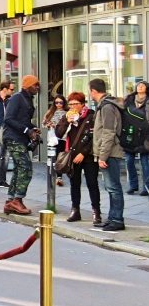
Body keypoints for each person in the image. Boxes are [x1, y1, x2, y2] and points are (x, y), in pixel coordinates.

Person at [54, 92, 101, 225]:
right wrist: (66, 122)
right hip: (73, 155)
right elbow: (59, 133)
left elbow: (94, 137)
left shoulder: (91, 116)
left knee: (92, 183)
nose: (73, 106)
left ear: (82, 104)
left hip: (88, 156)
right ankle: (75, 210)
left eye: (76, 103)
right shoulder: (67, 116)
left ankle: (96, 212)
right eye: (71, 104)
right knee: (74, 184)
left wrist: (84, 153)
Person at [88, 78, 126, 232]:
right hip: (108, 152)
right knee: (110, 187)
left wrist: (102, 156)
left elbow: (108, 132)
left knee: (114, 187)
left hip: (110, 153)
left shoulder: (107, 107)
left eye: (90, 91)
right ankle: (112, 218)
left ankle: (117, 219)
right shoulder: (105, 105)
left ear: (93, 91)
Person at [2, 75, 42, 216]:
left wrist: (33, 128)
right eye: (35, 85)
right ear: (27, 85)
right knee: (26, 167)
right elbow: (8, 119)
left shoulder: (27, 99)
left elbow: (23, 120)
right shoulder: (17, 98)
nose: (38, 87)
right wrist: (27, 130)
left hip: (19, 138)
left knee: (19, 168)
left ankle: (11, 201)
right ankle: (17, 199)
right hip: (13, 138)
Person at [122, 81, 149, 195]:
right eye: (138, 85)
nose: (140, 87)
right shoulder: (129, 100)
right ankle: (133, 185)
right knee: (129, 161)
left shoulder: (148, 101)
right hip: (130, 133)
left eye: (142, 85)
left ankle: (146, 187)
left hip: (145, 134)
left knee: (144, 163)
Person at [43, 94, 67, 187]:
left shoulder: (66, 112)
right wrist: (48, 125)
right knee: (53, 156)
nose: (58, 104)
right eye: (56, 102)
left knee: (60, 156)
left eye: (61, 102)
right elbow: (43, 123)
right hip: (52, 137)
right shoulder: (50, 112)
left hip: (63, 137)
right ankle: (55, 175)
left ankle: (59, 176)